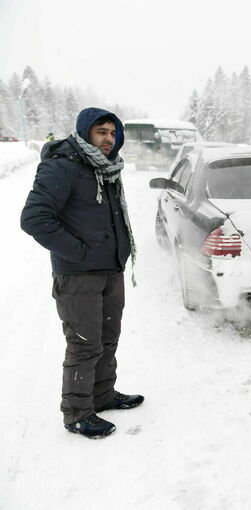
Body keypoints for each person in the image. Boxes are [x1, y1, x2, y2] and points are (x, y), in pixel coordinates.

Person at [20, 107, 143, 439]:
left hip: (110, 269)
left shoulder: (106, 169)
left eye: (113, 133)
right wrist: (79, 253)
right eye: (102, 131)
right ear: (85, 131)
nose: (109, 139)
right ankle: (76, 413)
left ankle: (102, 395)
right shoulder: (63, 167)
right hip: (79, 275)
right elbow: (34, 219)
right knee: (85, 344)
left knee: (107, 338)